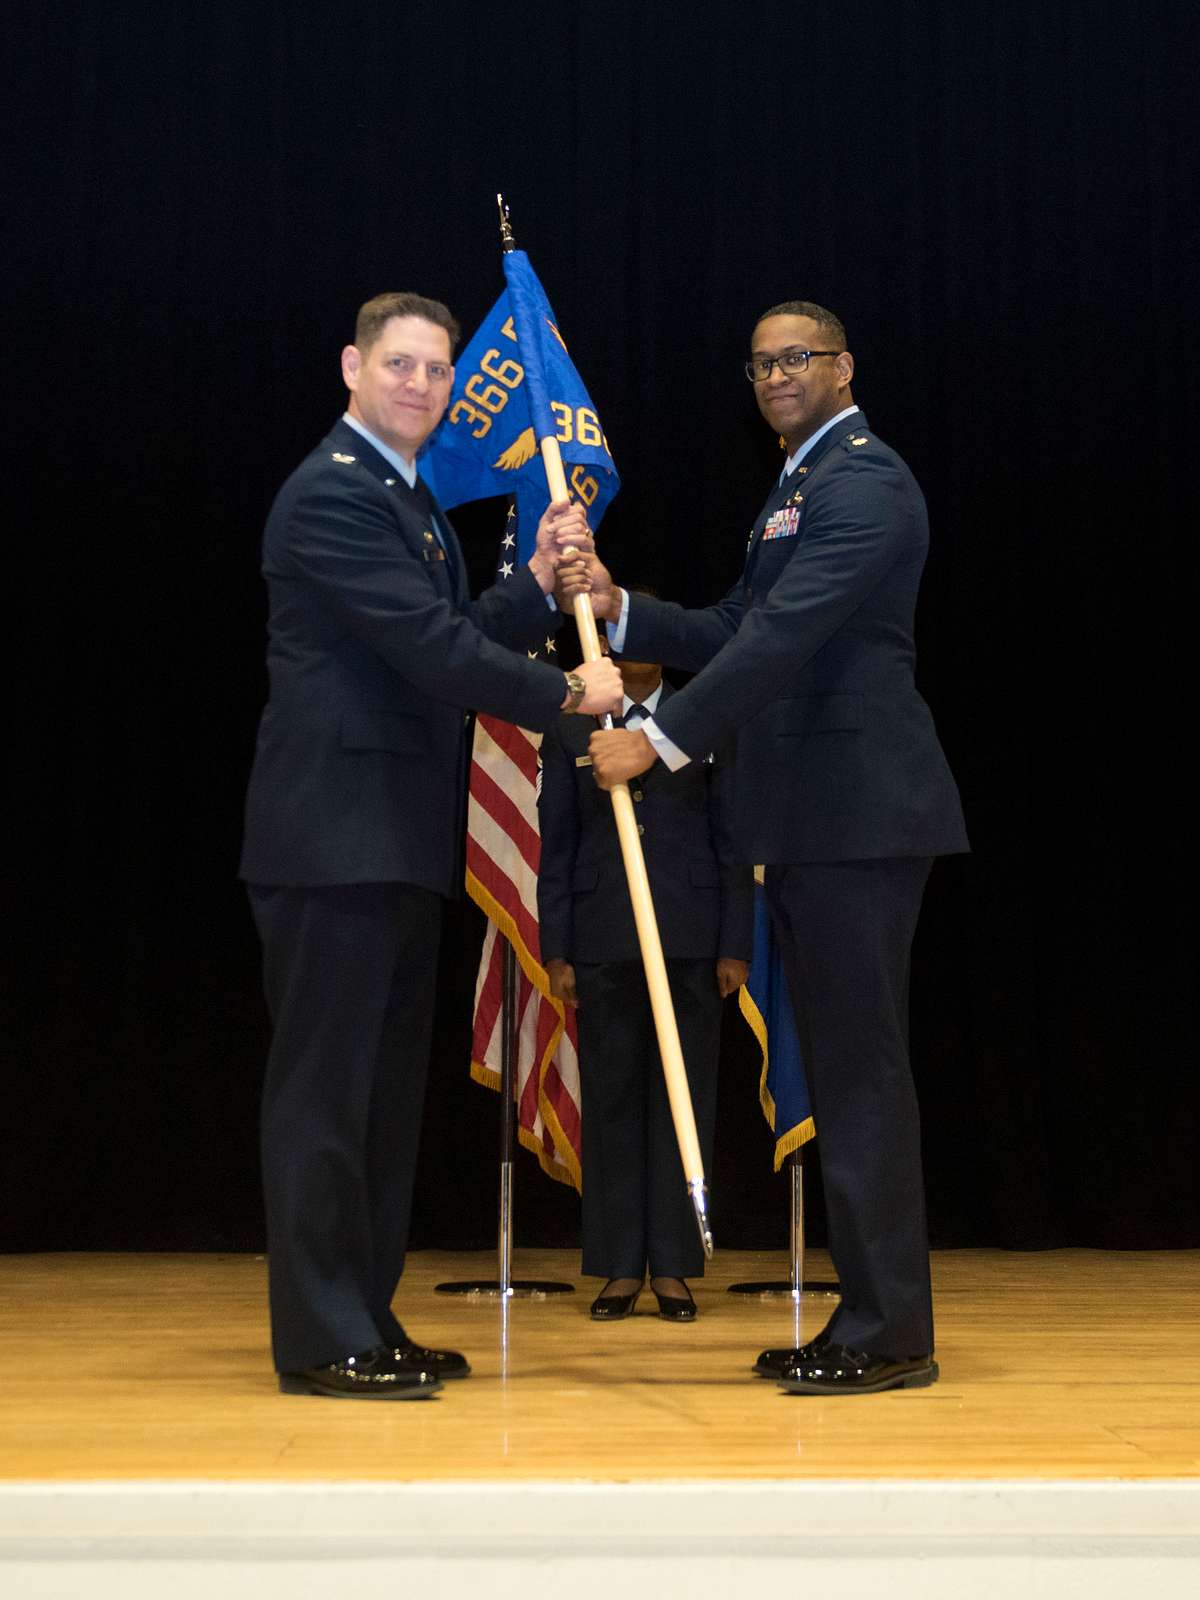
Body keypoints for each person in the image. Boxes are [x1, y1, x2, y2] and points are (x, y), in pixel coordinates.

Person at [239, 291, 622, 1400]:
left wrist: (538, 579)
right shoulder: (332, 495)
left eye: (436, 369)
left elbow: (455, 633)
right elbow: (428, 651)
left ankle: (366, 1314)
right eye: (397, 363)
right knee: (323, 1096)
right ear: (350, 368)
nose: (418, 383)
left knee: (378, 1101)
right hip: (329, 840)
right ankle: (322, 1336)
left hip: (395, 842)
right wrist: (569, 691)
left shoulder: (404, 503)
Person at [583, 301, 969, 1394]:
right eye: (757, 363)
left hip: (860, 814)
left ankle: (891, 1331)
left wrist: (654, 741)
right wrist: (623, 613)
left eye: (794, 356)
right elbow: (729, 628)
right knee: (848, 1070)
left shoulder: (866, 482)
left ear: (843, 367)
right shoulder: (797, 487)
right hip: (810, 820)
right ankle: (866, 1313)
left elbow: (784, 638)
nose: (773, 375)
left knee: (860, 1074)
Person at [537, 622, 753, 1321]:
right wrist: (559, 949)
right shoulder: (572, 728)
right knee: (613, 1101)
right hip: (604, 937)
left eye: (647, 633)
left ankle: (675, 1270)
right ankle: (620, 1267)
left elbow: (731, 838)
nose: (633, 648)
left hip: (690, 937)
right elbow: (558, 844)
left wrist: (733, 943)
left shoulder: (706, 718)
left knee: (684, 1102)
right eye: (620, 638)